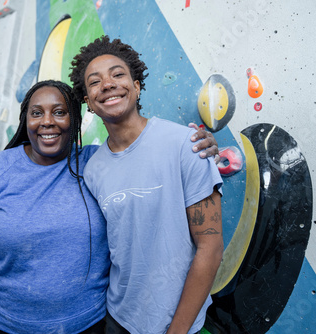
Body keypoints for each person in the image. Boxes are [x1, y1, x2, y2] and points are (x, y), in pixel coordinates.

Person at [0, 80, 219, 334]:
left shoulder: (98, 165)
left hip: (88, 325)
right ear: (26, 120)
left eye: (59, 112)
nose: (47, 121)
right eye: (37, 113)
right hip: (4, 325)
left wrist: (195, 146)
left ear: (76, 121)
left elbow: (144, 155)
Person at [69, 36, 224, 334]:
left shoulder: (187, 144)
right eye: (95, 81)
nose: (108, 84)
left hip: (179, 324)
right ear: (88, 102)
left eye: (118, 74)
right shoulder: (92, 170)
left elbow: (211, 249)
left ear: (136, 86)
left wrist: (176, 331)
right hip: (117, 317)